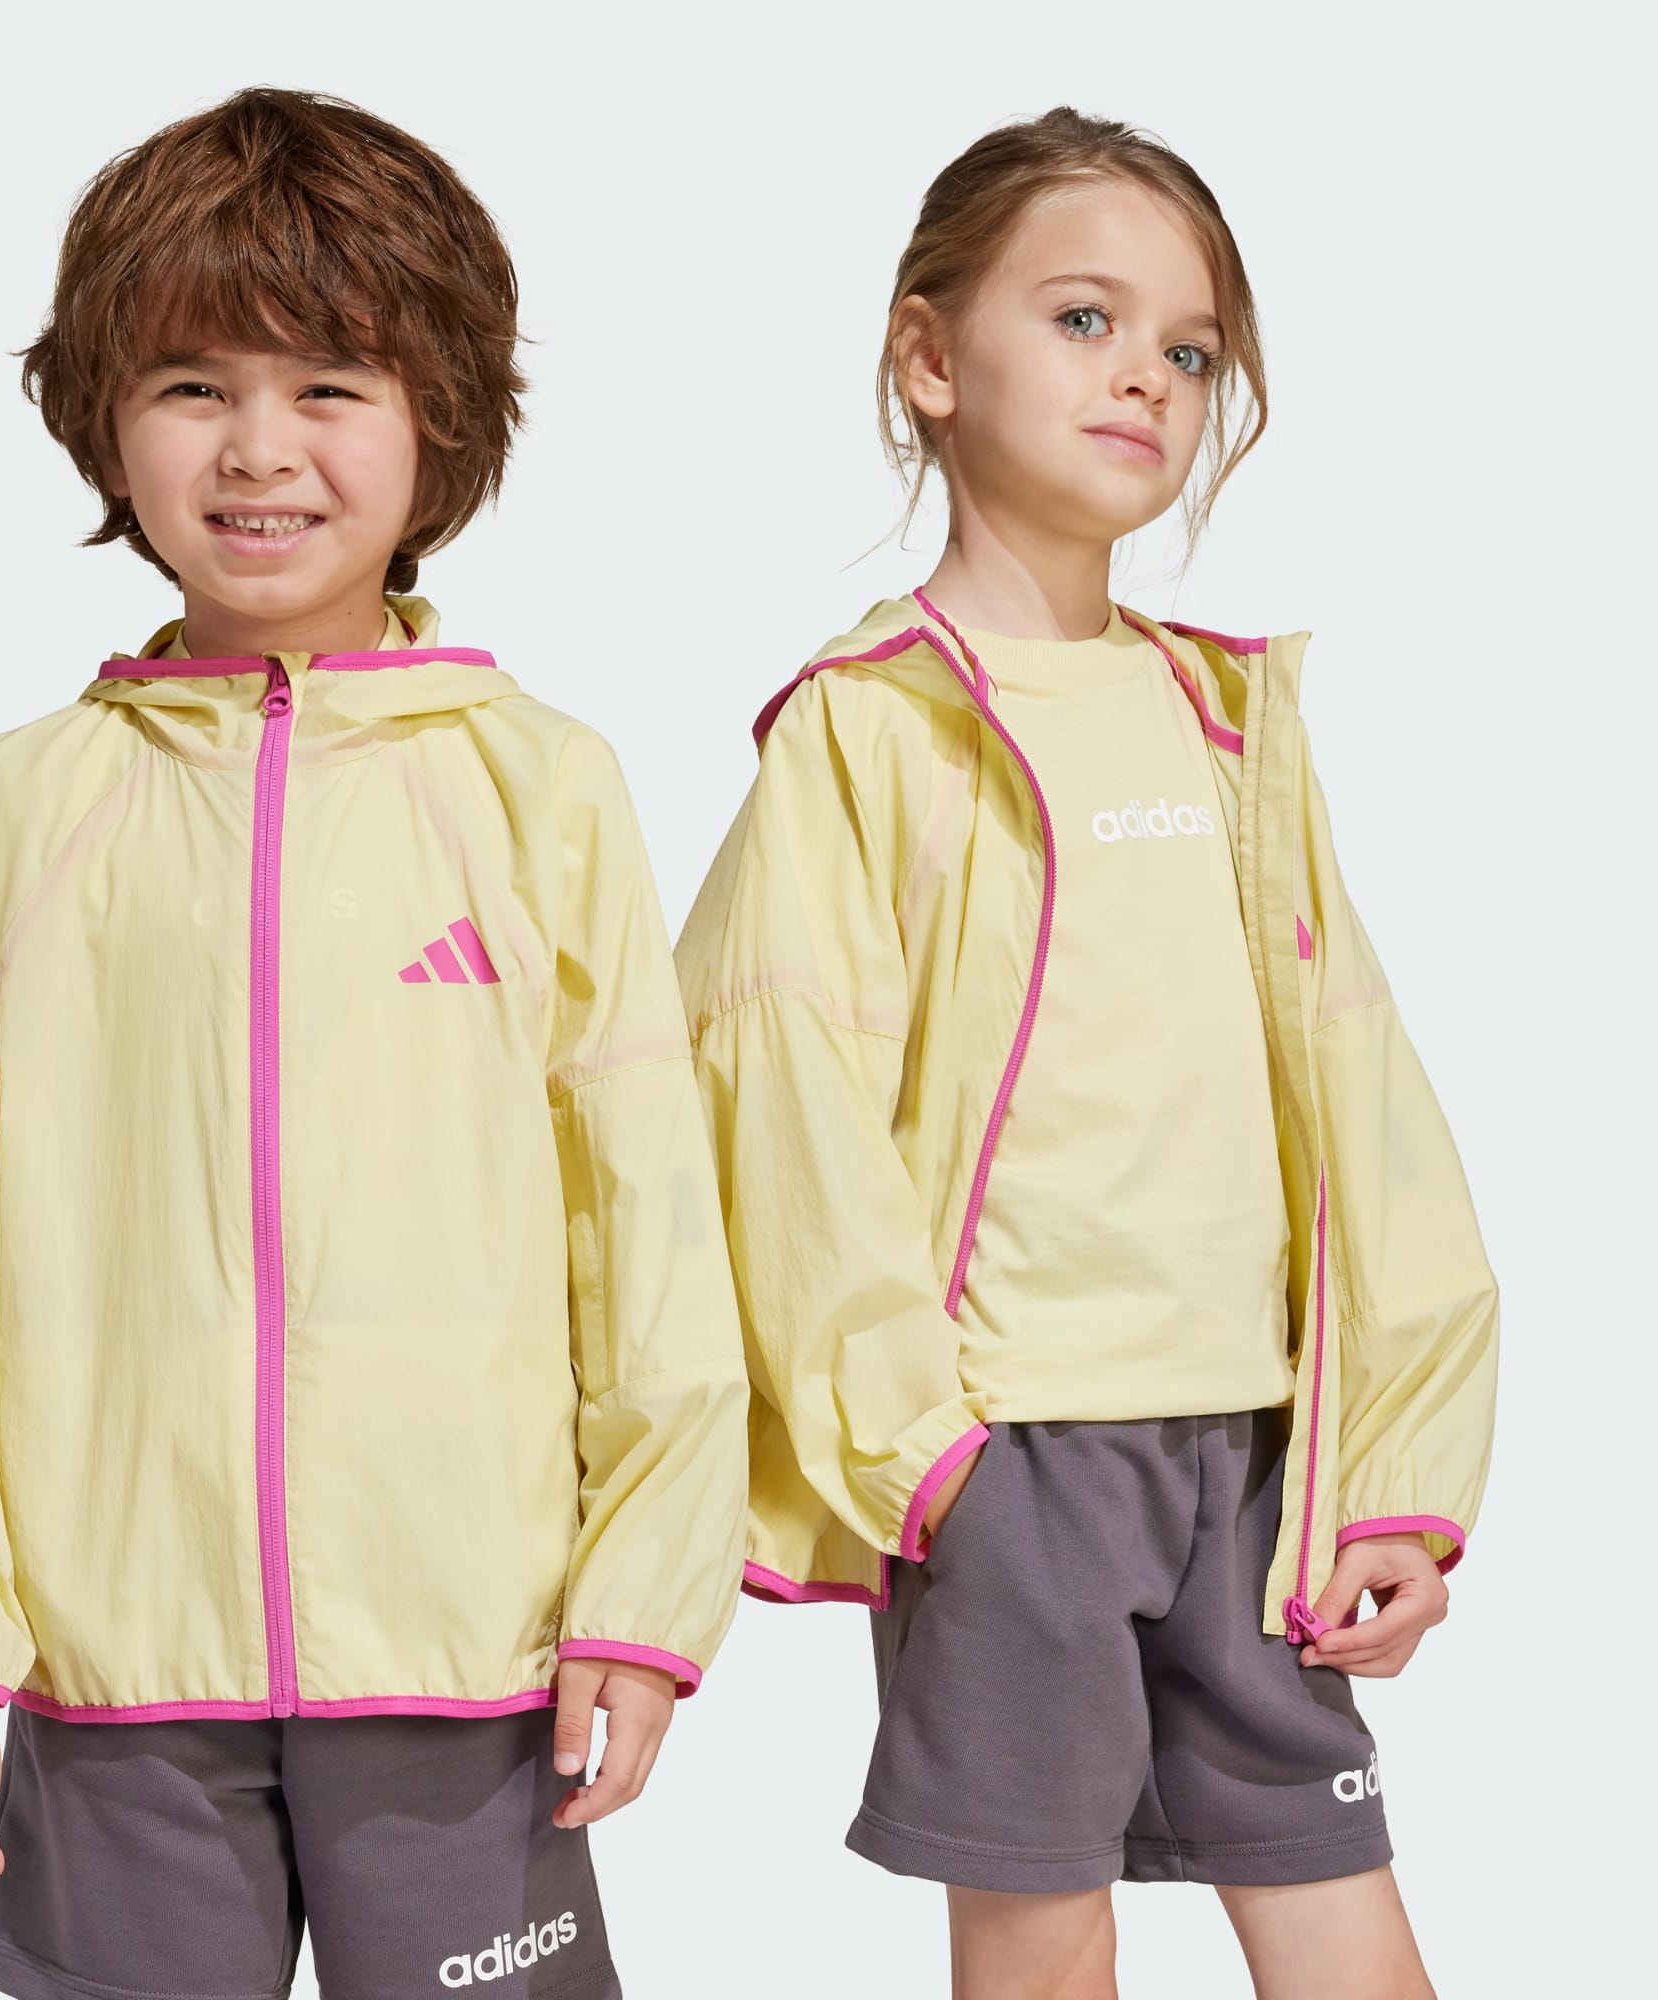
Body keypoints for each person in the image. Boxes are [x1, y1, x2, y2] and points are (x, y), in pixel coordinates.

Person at [0, 85, 747, 2000]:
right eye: (193, 385)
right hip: (112, 1657)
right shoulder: (27, 803)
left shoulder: (540, 787)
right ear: (107, 418)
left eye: (328, 386)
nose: (258, 449)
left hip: (467, 1644)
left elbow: (651, 1220)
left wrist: (645, 1589)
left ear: (441, 422)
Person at [673, 105, 1497, 1999]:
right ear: (928, 356)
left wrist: (1394, 1466)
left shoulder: (1227, 722)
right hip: (1013, 1457)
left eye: (1189, 351)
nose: (1144, 375)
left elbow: (1363, 1091)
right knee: (1042, 1949)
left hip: (1257, 1451)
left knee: (1341, 1910)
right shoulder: (866, 729)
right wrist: (926, 1460)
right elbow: (780, 1111)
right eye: (1082, 319)